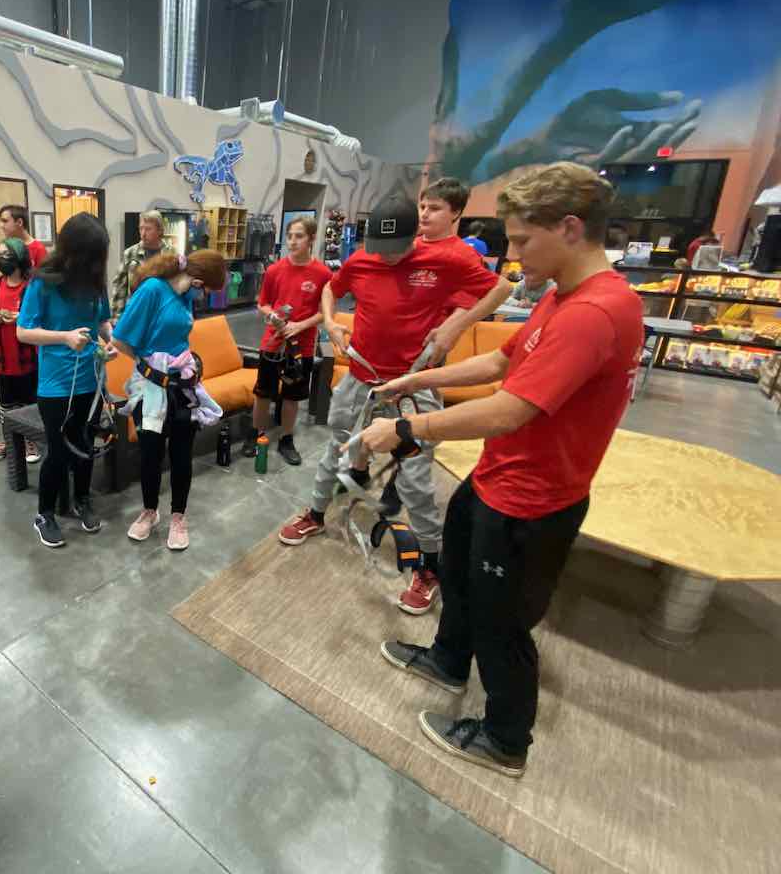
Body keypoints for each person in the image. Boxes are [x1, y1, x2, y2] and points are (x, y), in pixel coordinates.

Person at [369, 162, 643, 778]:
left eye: (522, 240)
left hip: (533, 500)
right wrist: (420, 377)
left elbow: (510, 410)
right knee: (462, 580)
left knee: (504, 622)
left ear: (570, 228)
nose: (512, 256)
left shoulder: (594, 313)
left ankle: (505, 738)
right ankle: (446, 658)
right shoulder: (562, 296)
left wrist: (408, 427)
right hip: (498, 480)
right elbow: (500, 360)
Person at [277, 194, 513, 618]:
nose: (384, 258)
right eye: (377, 250)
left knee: (414, 479)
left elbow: (502, 288)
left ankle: (429, 566)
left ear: (414, 238)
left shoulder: (444, 260)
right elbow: (332, 288)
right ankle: (315, 512)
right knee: (336, 451)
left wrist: (455, 325)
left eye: (394, 251)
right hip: (361, 379)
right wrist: (331, 322)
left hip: (411, 385)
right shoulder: (363, 259)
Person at [112, 250, 228, 551]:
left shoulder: (185, 294)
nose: (203, 298)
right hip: (150, 388)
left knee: (181, 452)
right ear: (198, 281)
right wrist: (151, 366)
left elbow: (178, 335)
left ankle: (178, 516)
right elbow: (120, 338)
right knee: (150, 453)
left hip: (182, 386)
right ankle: (149, 511)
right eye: (206, 291)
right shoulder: (152, 290)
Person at [16, 212, 115, 549]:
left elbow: (103, 320)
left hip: (91, 379)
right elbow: (23, 331)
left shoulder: (94, 281)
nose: (96, 263)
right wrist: (64, 338)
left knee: (86, 445)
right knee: (58, 451)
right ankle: (45, 513)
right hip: (57, 385)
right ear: (74, 252)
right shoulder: (43, 282)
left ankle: (82, 499)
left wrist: (110, 340)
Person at [245, 216, 332, 466]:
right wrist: (272, 316)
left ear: (312, 239)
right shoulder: (274, 270)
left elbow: (325, 311)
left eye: (299, 236)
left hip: (301, 347)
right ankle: (256, 433)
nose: (292, 241)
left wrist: (300, 326)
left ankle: (286, 438)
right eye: (290, 236)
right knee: (263, 392)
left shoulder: (323, 274)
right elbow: (262, 304)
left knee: (292, 396)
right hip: (272, 343)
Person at [0, 237, 41, 465]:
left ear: (18, 258)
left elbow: (41, 317)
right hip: (2, 357)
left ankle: (31, 440)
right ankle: (9, 441)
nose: (0, 259)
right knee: (6, 405)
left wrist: (22, 318)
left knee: (29, 403)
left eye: (5, 255)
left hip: (27, 356)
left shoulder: (32, 286)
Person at [111, 210, 171, 318]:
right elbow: (120, 287)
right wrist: (117, 317)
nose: (143, 233)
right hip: (136, 312)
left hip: (162, 313)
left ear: (159, 231)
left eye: (148, 229)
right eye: (141, 228)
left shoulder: (171, 254)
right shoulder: (130, 253)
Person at [416, 176, 471, 243]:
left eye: (434, 208)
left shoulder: (466, 253)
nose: (424, 214)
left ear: (455, 213)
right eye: (422, 207)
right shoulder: (407, 247)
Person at [0, 203, 47, 269]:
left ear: (19, 222)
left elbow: (43, 277)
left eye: (5, 221)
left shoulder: (38, 249)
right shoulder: (5, 246)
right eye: (1, 221)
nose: (1, 226)